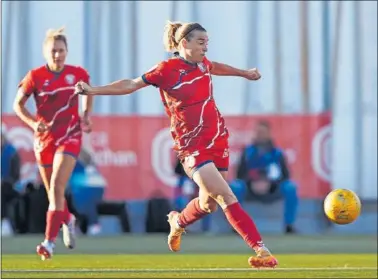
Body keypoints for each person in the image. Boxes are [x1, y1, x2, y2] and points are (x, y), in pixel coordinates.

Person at [75, 21, 278, 268]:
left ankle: (178, 222)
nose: (206, 48)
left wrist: (244, 73)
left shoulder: (203, 63)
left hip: (217, 139)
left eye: (207, 43)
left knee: (208, 204)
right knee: (226, 195)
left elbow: (217, 67)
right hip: (191, 147)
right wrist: (93, 90)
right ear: (184, 43)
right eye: (201, 42)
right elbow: (130, 84)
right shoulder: (166, 69)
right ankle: (261, 249)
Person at [13, 27, 93, 260]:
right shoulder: (35, 76)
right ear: (45, 52)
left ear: (67, 51)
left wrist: (86, 113)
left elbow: (89, 91)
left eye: (61, 50)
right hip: (44, 140)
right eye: (53, 51)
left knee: (58, 185)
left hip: (70, 136)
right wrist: (32, 122)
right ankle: (67, 218)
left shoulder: (77, 74)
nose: (57, 55)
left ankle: (48, 243)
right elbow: (18, 105)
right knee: (53, 194)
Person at [236, 120, 299, 234]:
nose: (260, 135)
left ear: (269, 133)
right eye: (258, 132)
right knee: (235, 187)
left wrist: (270, 183)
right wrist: (252, 182)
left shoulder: (277, 153)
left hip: (272, 189)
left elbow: (285, 175)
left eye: (263, 132)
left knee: (290, 187)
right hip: (251, 189)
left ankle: (289, 225)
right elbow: (240, 174)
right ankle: (236, 224)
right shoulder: (247, 152)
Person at [1, 129, 21, 236]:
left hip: (10, 186)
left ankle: (4, 222)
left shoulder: (12, 153)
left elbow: (15, 176)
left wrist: (4, 181)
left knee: (2, 191)